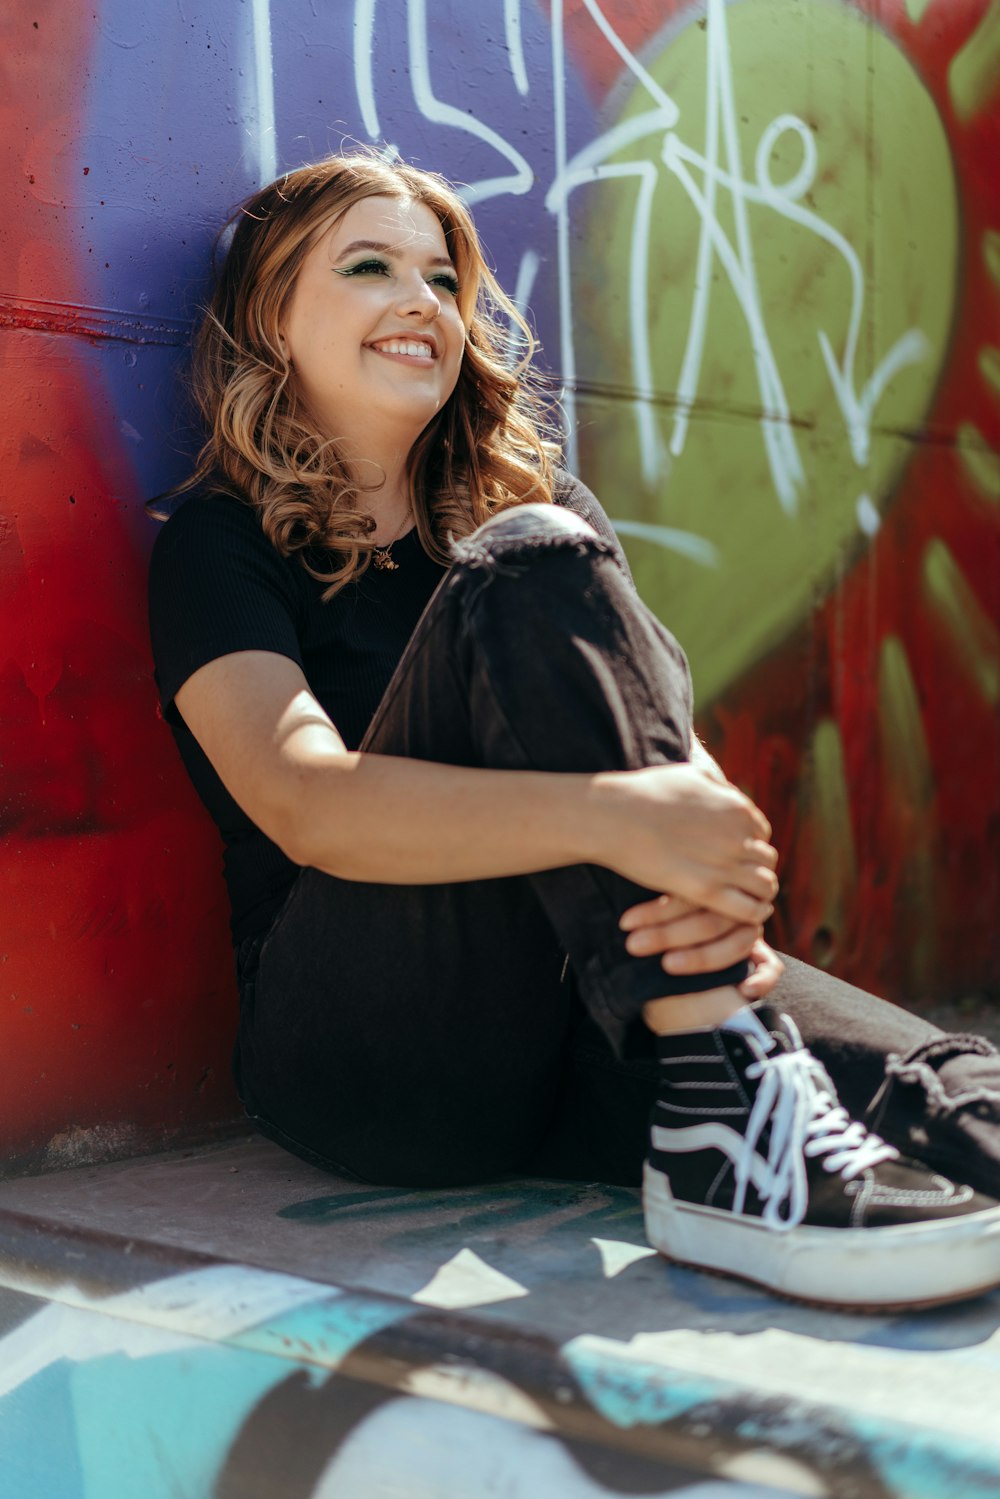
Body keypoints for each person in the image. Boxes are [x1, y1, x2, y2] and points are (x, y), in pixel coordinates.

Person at [148, 151, 1000, 1311]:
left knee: (955, 1094)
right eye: (369, 267)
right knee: (528, 554)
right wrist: (617, 818)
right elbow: (305, 802)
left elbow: (668, 771)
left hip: (581, 1018)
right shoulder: (222, 543)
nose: (422, 302)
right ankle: (729, 1098)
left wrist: (693, 853)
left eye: (443, 280)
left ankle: (725, 1104)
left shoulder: (538, 511)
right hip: (364, 1059)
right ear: (270, 320)